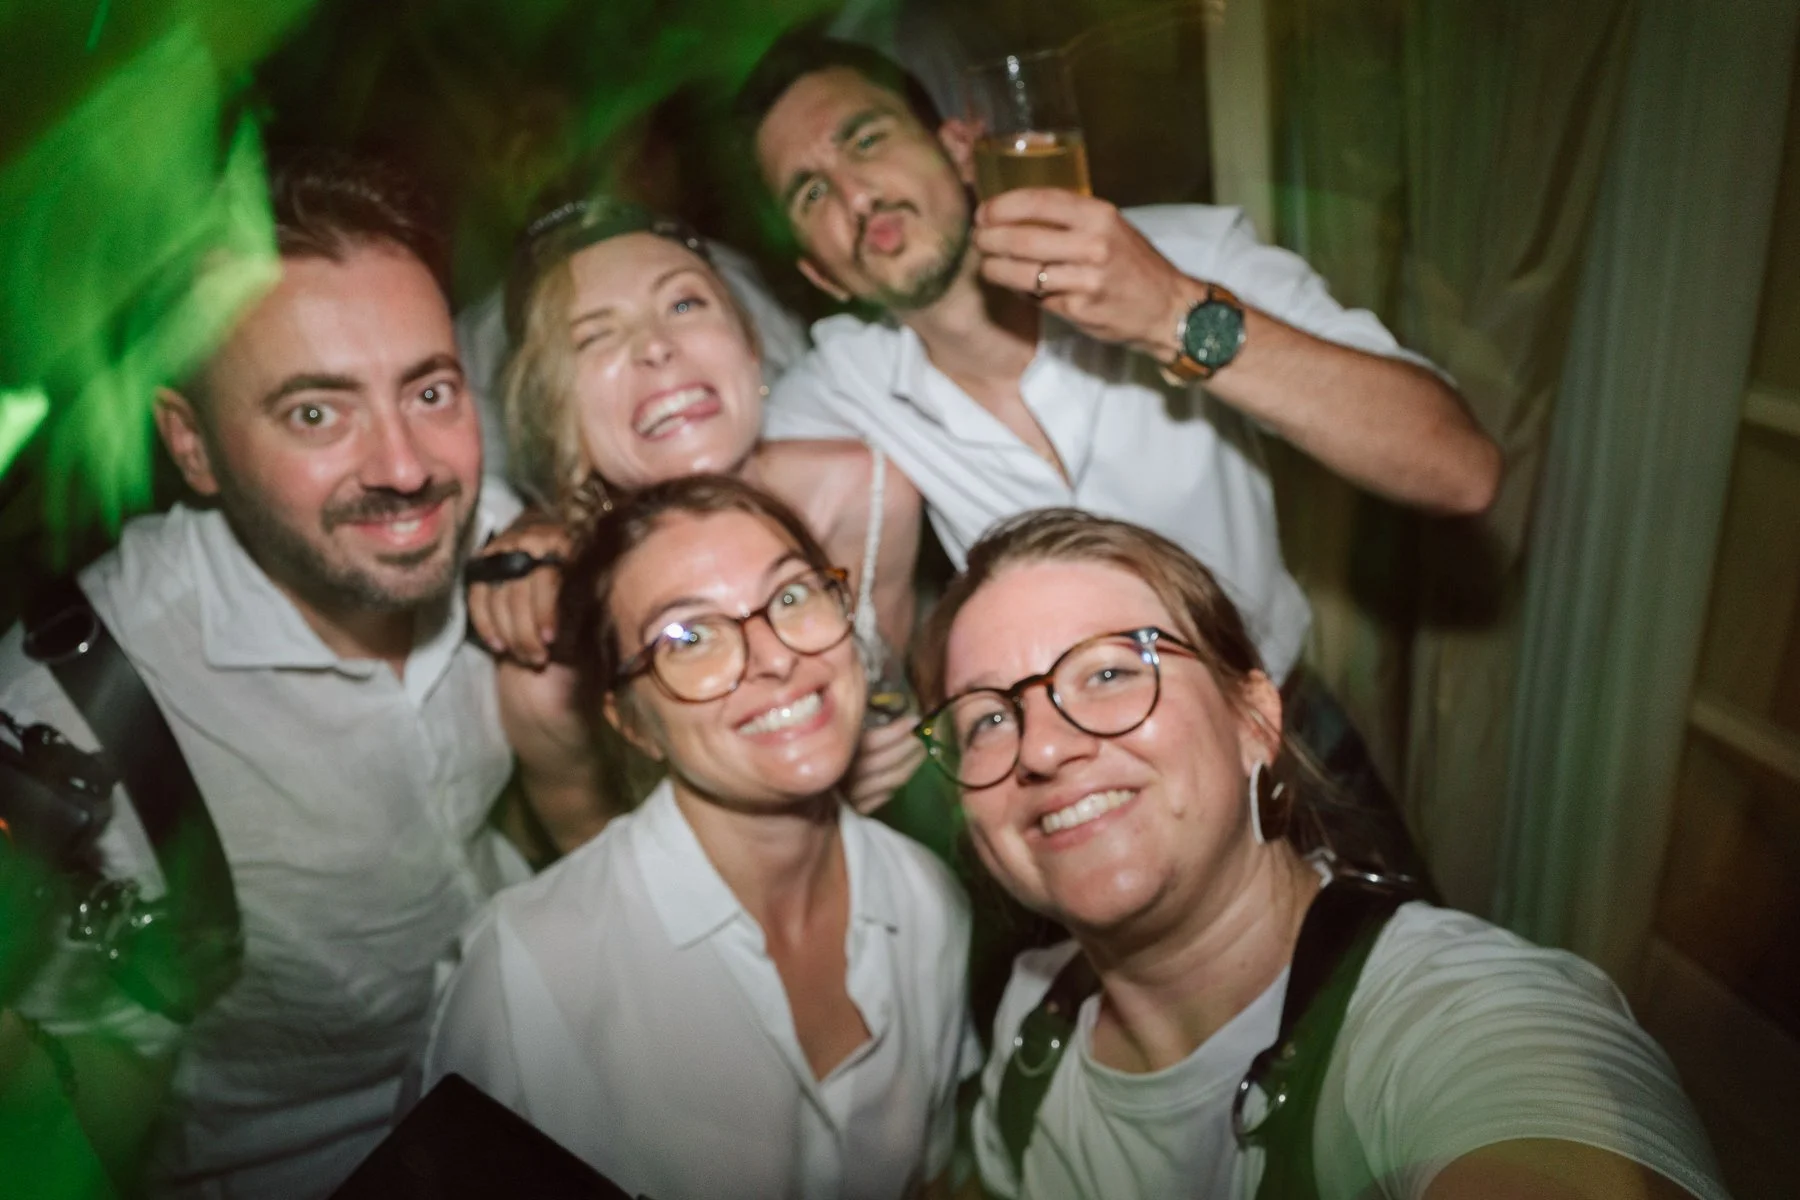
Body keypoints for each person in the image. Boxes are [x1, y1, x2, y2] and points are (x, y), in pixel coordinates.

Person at [733, 32, 1505, 873]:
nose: (853, 193)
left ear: (960, 148)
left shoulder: (1186, 255)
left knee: (1397, 991)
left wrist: (1171, 313)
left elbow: (1459, 469)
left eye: (867, 140)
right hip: (1070, 787)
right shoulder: (840, 384)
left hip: (1282, 739)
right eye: (811, 190)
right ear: (823, 275)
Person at [909, 508, 1728, 1200]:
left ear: (1254, 718)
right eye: (986, 719)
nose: (1043, 748)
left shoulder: (1452, 1022)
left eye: (1112, 672)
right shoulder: (1029, 1030)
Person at [0, 151, 529, 1198]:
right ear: (192, 447)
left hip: (533, 1076)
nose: (407, 465)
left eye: (429, 389)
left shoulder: (497, 534)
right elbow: (73, 1117)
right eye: (315, 414)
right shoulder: (83, 716)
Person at [417, 474, 974, 1199]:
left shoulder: (926, 899)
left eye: (794, 596)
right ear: (630, 721)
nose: (775, 658)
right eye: (688, 637)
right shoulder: (526, 975)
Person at [469, 196, 925, 850]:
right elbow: (606, 884)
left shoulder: (869, 495)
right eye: (594, 334)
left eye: (684, 304)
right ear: (553, 411)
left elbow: (886, 681)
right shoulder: (551, 674)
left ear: (748, 348)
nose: (656, 345)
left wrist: (885, 737)